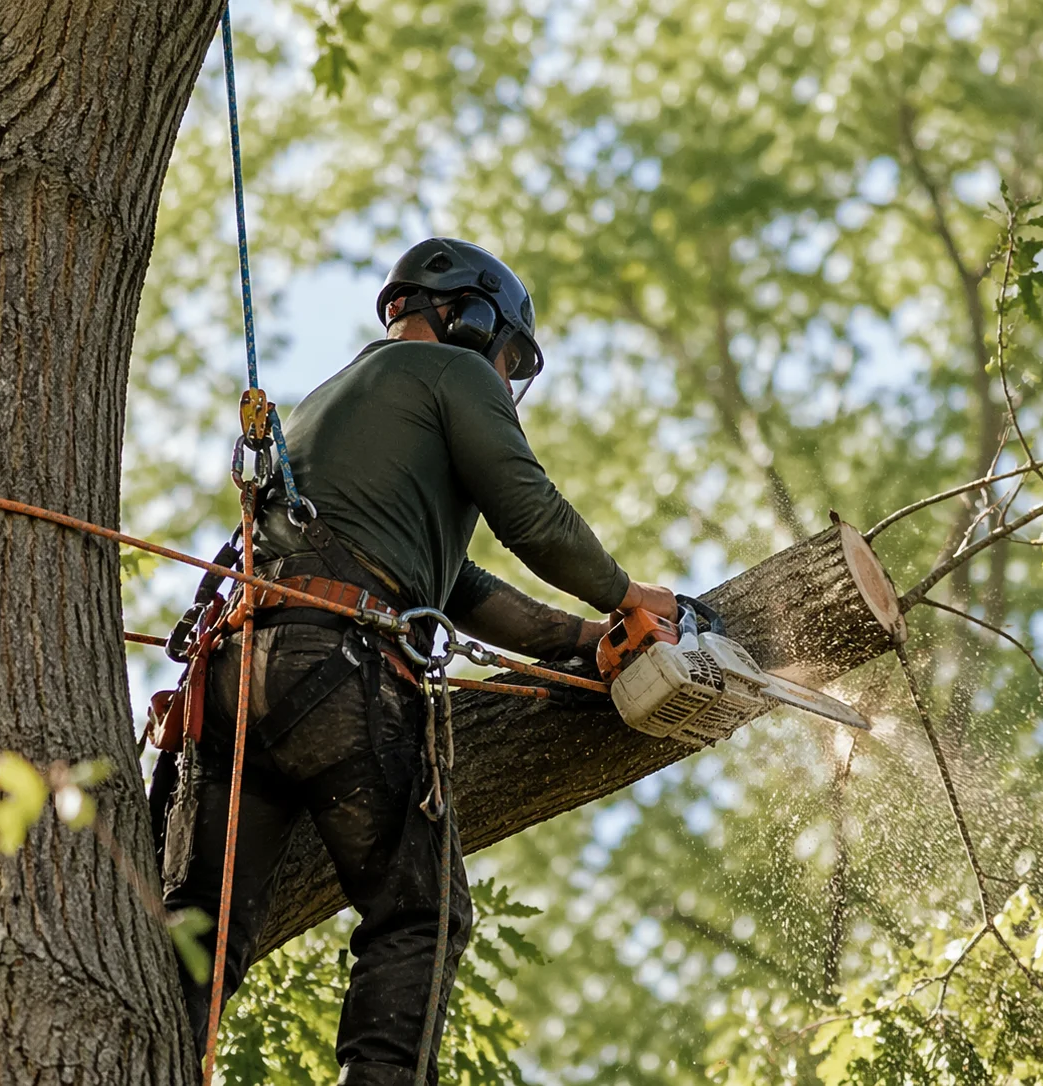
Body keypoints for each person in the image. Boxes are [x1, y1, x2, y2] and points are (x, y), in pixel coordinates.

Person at [160, 237, 676, 1085]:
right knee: (421, 915)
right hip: (338, 670)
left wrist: (581, 643)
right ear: (470, 319)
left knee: (199, 934)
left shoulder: (339, 396)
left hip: (238, 673)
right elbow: (532, 515)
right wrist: (623, 597)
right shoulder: (458, 377)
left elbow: (455, 583)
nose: (503, 378)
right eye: (506, 356)